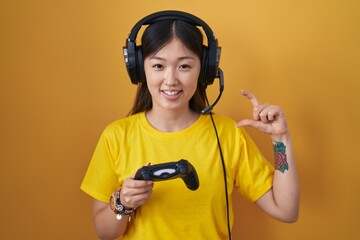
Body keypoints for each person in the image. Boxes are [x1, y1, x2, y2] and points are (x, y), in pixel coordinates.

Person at [80, 10, 299, 240]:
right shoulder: (115, 137)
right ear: (139, 68)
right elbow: (104, 233)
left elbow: (286, 210)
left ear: (204, 70)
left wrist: (281, 140)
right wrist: (123, 203)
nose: (171, 79)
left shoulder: (227, 135)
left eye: (184, 66)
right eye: (158, 66)